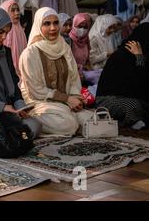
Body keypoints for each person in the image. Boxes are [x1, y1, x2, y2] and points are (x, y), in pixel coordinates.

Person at [19, 7, 93, 136]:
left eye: (55, 23)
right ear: (38, 26)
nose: (53, 28)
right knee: (68, 124)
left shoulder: (64, 48)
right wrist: (66, 99)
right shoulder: (30, 53)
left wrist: (75, 98)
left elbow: (74, 78)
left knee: (91, 120)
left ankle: (68, 117)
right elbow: (35, 90)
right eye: (47, 24)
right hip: (39, 102)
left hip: (65, 102)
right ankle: (27, 118)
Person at [0, 7, 41, 138]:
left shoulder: (5, 51)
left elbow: (13, 80)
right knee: (10, 131)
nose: (4, 37)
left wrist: (20, 106)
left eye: (7, 32)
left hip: (10, 107)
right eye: (0, 32)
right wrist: (3, 107)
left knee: (35, 126)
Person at [96, 23, 149, 130]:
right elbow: (138, 83)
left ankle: (140, 119)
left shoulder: (146, 56)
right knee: (133, 105)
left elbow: (146, 85)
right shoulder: (121, 56)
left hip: (131, 96)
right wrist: (139, 57)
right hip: (109, 100)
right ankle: (132, 122)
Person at [0, 0, 27, 74]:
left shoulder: (20, 30)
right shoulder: (4, 31)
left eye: (18, 10)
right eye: (12, 10)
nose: (17, 13)